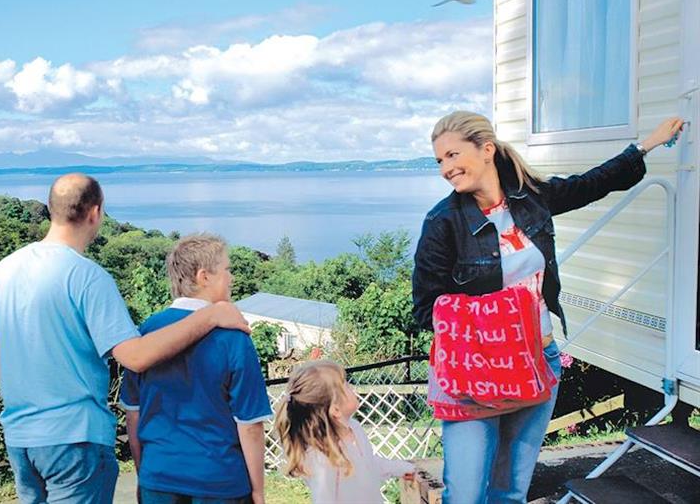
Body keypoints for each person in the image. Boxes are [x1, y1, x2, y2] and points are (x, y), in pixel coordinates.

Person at [411, 111, 684, 503]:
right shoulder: (442, 222)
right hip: (472, 374)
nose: (447, 169)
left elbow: (592, 184)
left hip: (537, 360)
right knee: (466, 495)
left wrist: (645, 145)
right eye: (440, 161)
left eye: (453, 155)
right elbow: (425, 308)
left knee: (510, 492)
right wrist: (497, 320)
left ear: (486, 149)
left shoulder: (530, 198)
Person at [0, 174, 251, 504]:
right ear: (95, 213)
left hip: (21, 438)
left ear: (51, 209)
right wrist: (210, 314)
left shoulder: (6, 270)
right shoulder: (87, 277)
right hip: (75, 438)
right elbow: (135, 356)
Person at [121, 234, 272, 504]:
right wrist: (258, 491)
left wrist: (145, 474)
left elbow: (133, 414)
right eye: (227, 270)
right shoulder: (234, 337)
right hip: (220, 480)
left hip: (159, 475)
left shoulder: (146, 333)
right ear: (204, 277)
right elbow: (250, 425)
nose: (232, 278)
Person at [274, 360, 414, 503]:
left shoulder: (354, 429)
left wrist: (402, 468)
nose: (351, 386)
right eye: (345, 384)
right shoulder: (323, 459)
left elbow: (368, 465)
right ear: (335, 409)